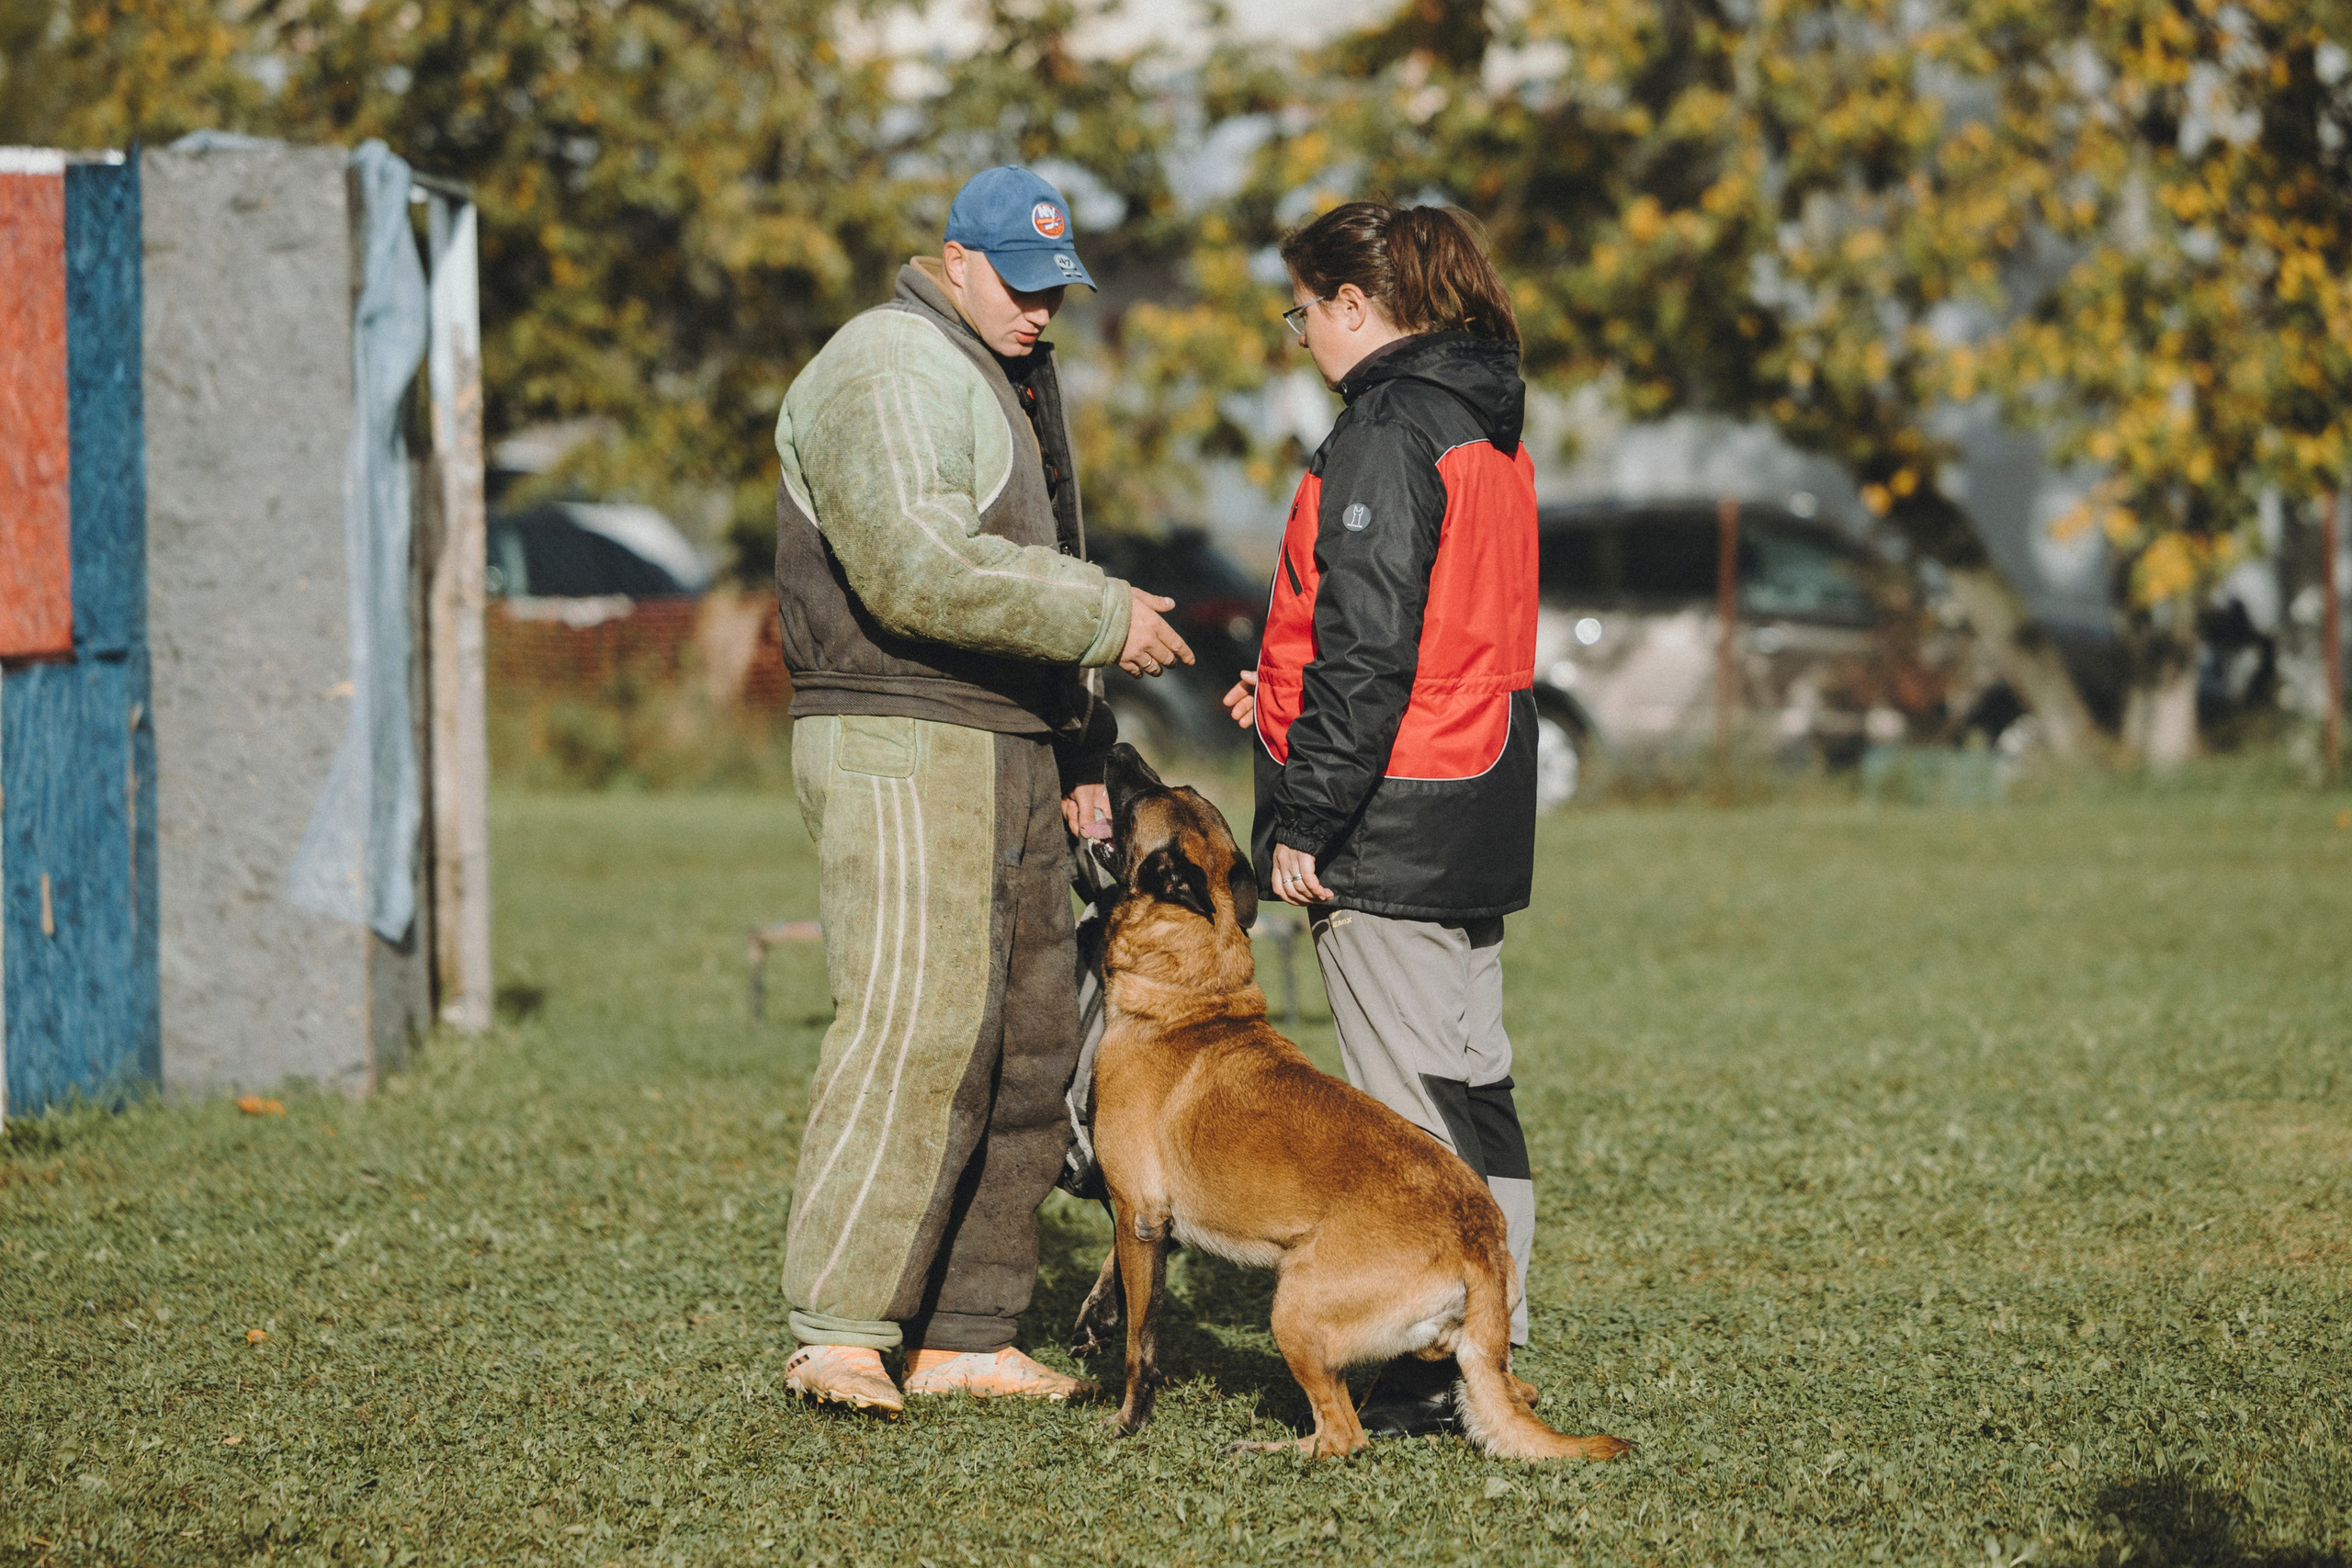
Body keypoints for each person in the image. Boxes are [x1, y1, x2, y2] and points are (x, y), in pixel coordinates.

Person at [772, 166, 1193, 1415]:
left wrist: (1077, 747)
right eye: (1018, 284)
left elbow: (1021, 562)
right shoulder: (889, 366)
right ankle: (840, 1328)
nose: (1040, 311)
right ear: (954, 259)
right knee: (915, 1023)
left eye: (1056, 289)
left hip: (1005, 739)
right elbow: (916, 566)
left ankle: (965, 1330)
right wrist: (1102, 612)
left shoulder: (1002, 370)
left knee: (1025, 1041)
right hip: (902, 735)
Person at [1223, 200, 1541, 1438]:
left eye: (1299, 312)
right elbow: (1429, 629)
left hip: (1391, 814)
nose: (1298, 335)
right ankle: (1496, 1333)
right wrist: (1279, 701)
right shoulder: (1485, 421)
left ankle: (1422, 1368)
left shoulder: (1386, 427)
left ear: (1355, 306)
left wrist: (1305, 814)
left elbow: (1369, 645)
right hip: (1477, 795)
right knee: (1473, 1090)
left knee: (1403, 1110)